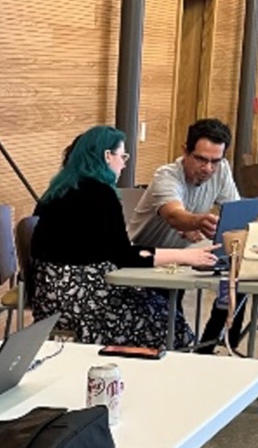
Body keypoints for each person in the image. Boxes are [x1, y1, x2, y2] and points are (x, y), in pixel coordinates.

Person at [30, 125, 217, 350]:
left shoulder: (58, 189)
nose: (124, 162)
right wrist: (187, 256)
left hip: (49, 298)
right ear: (107, 156)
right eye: (122, 155)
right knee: (167, 320)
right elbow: (124, 256)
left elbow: (102, 248)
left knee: (156, 304)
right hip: (81, 301)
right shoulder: (101, 194)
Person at [126, 118, 244, 350]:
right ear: (185, 152)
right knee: (171, 330)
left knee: (236, 281)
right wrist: (196, 222)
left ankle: (210, 345)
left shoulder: (222, 172)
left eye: (215, 161)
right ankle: (192, 350)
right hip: (147, 259)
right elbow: (174, 215)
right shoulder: (167, 176)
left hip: (185, 257)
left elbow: (234, 213)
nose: (208, 168)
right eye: (201, 159)